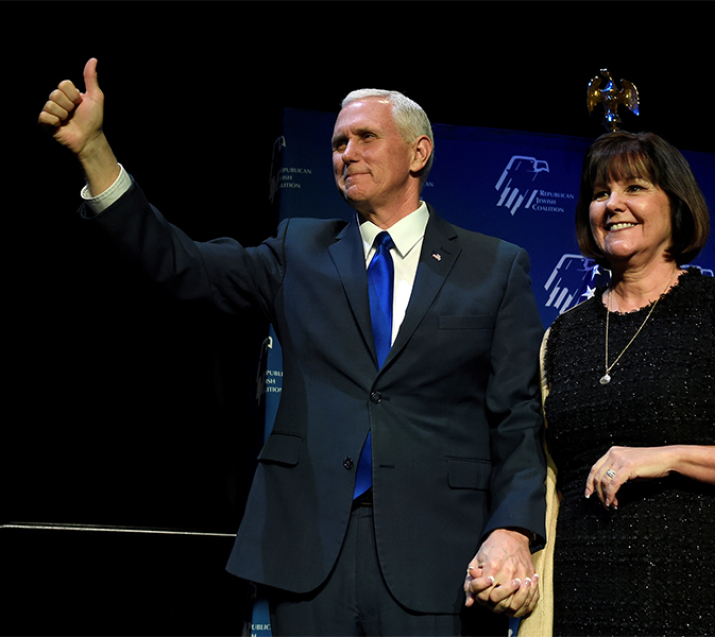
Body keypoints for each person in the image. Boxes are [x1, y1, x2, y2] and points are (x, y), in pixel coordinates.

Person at [39, 58, 547, 636]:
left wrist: (512, 529)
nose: (346, 153)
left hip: (440, 553)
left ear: (418, 153)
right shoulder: (298, 249)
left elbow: (517, 416)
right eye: (337, 142)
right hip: (310, 552)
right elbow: (181, 264)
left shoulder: (495, 266)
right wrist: (94, 151)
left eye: (365, 137)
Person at [520, 131, 715, 637]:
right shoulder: (561, 335)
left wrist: (666, 456)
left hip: (702, 593)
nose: (613, 204)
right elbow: (547, 475)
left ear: (675, 204)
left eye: (634, 187)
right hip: (580, 595)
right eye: (599, 194)